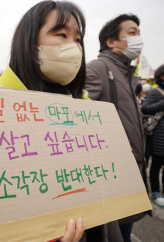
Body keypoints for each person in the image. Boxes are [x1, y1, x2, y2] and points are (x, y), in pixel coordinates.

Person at [0, 1, 123, 241]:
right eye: (61, 34)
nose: (74, 47)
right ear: (29, 41)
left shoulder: (86, 110)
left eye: (78, 39)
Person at [85, 14, 148, 242]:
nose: (138, 38)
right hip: (111, 183)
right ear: (111, 41)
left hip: (129, 179)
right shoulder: (98, 69)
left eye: (139, 33)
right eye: (132, 33)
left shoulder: (124, 74)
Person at [141, 65, 164, 207]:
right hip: (158, 136)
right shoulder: (156, 92)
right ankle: (155, 192)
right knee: (156, 165)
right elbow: (145, 108)